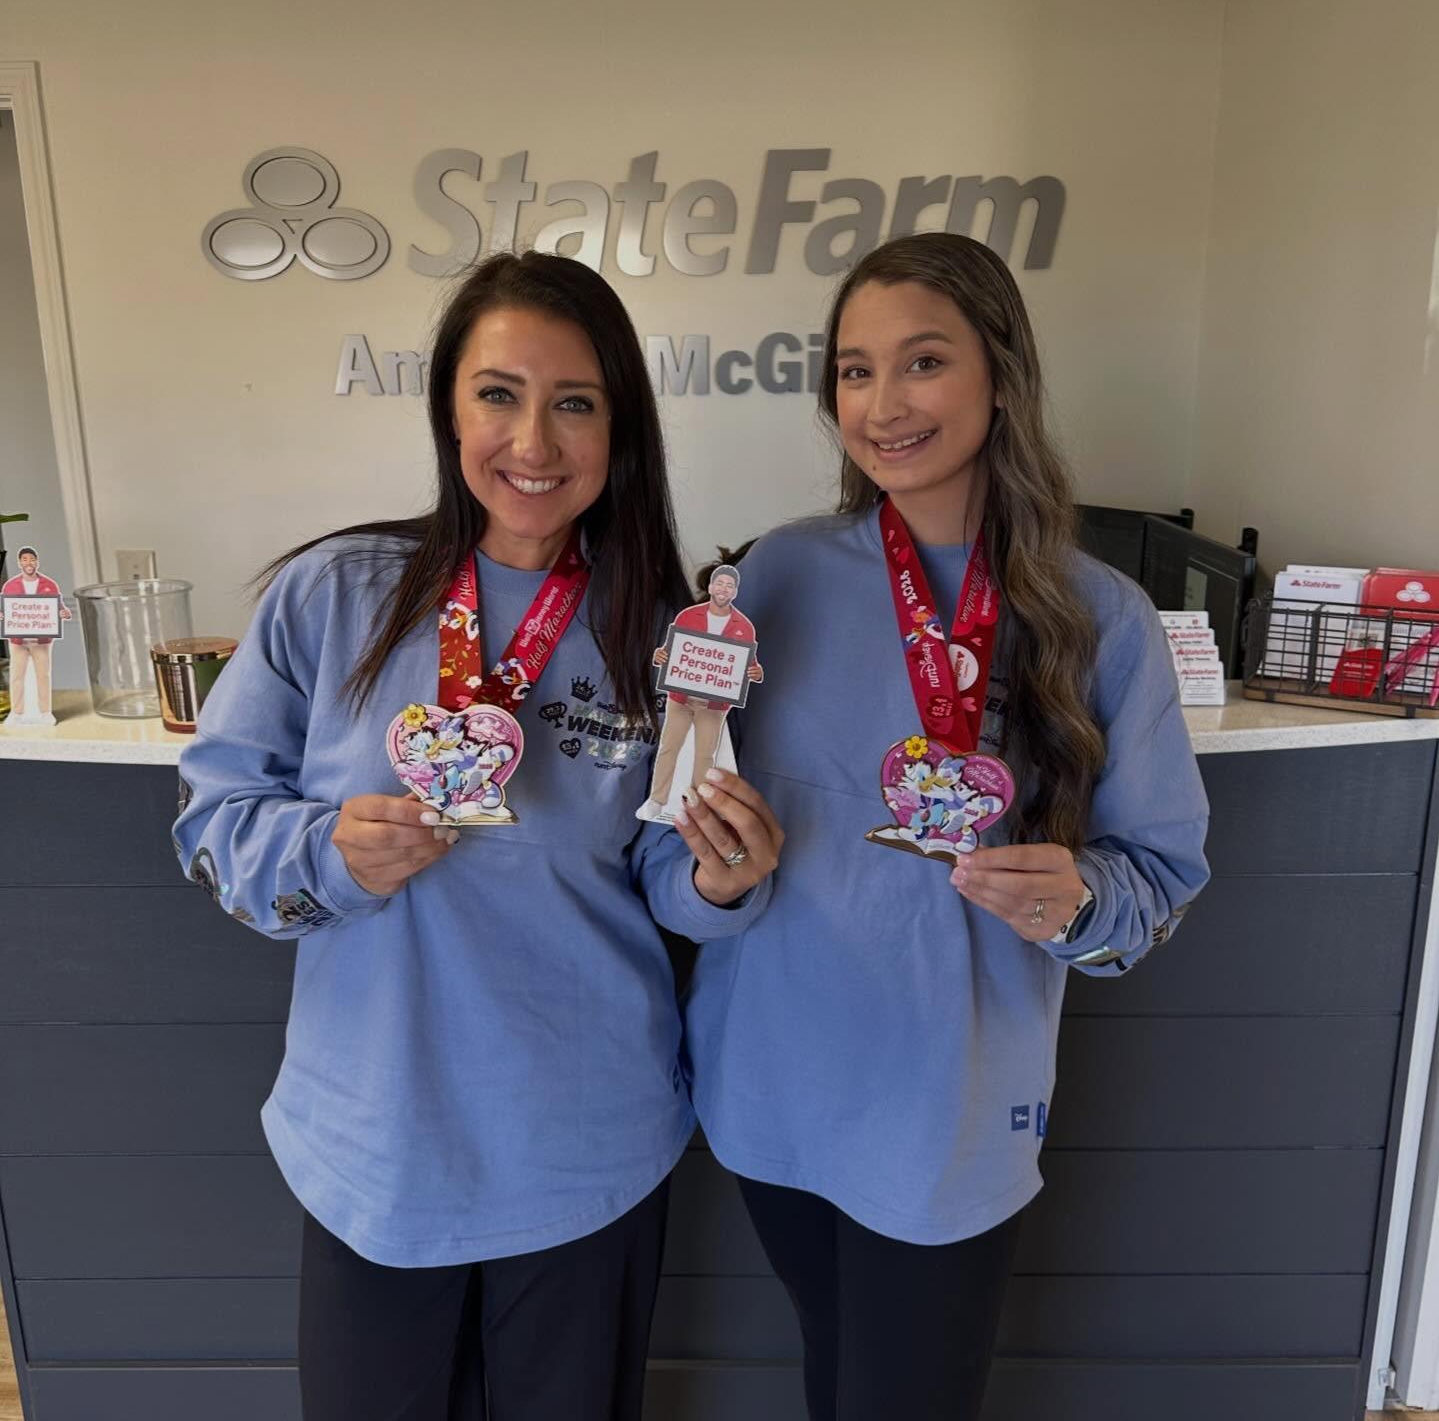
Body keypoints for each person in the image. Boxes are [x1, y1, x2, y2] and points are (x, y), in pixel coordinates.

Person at [174, 251, 784, 1421]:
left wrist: (719, 878)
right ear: (448, 406)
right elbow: (213, 825)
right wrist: (329, 857)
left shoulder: (662, 632)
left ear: (620, 426)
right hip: (377, 1147)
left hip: (585, 1144)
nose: (533, 441)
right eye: (498, 393)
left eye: (575, 402)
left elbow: (664, 870)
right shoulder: (333, 594)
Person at [683, 233, 1211, 1421]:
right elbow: (684, 837)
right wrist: (712, 870)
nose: (882, 404)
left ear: (999, 374)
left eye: (921, 361)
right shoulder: (769, 576)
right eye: (853, 370)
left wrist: (1077, 899)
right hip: (771, 1082)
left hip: (950, 1105)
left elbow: (1158, 878)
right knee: (834, 1369)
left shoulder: (1098, 614)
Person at [637, 562, 763, 821]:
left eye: (730, 586)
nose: (724, 589)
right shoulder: (688, 616)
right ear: (711, 587)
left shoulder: (744, 626)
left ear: (735, 591)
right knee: (669, 747)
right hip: (680, 698)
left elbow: (749, 664)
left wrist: (756, 672)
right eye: (720, 583)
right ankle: (657, 800)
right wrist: (661, 655)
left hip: (715, 705)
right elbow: (671, 650)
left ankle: (696, 807)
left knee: (705, 755)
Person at [1, 546, 71, 725]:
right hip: (18, 640)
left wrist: (63, 612)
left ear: (37, 562)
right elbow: (5, 609)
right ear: (19, 563)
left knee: (43, 675)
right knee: (17, 676)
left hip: (41, 639)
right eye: (25, 560)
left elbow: (58, 606)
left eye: (32, 559)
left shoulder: (49, 584)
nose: (29, 563)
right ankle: (16, 712)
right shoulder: (10, 586)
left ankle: (45, 711)